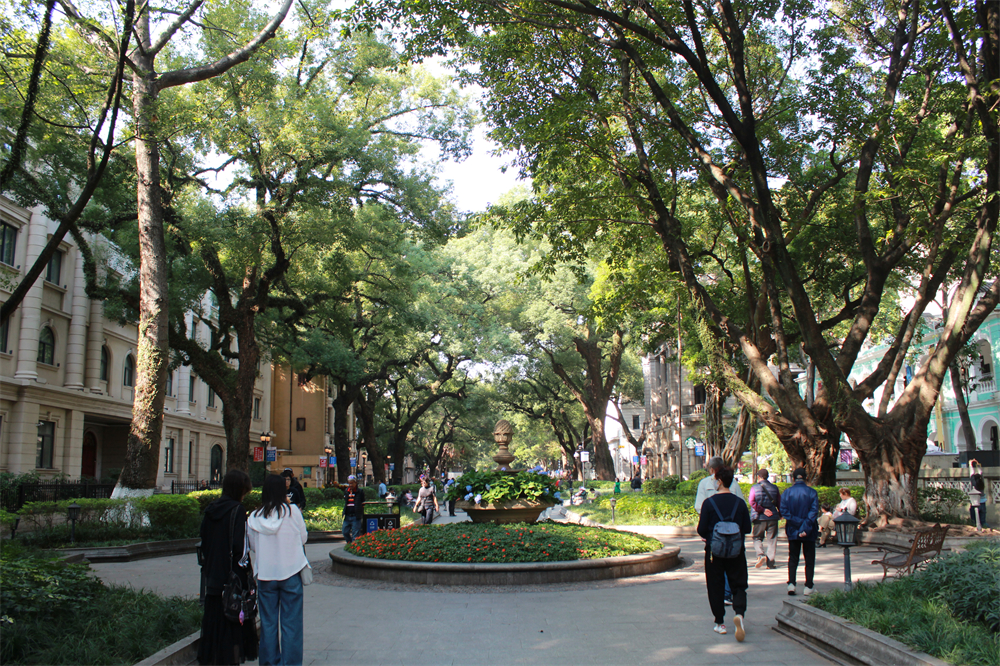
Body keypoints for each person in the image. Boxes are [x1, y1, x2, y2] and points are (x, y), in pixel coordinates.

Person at [197, 469, 258, 666]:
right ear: (240, 489)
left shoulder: (212, 508)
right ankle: (229, 660)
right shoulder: (237, 510)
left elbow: (204, 538)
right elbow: (240, 547)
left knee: (214, 617)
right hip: (232, 575)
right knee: (231, 620)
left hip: (213, 572)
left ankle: (212, 658)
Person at [248, 474, 308, 666]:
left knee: (268, 623)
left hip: (266, 575)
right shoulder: (292, 512)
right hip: (291, 572)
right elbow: (303, 538)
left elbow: (253, 545)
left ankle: (269, 663)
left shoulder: (254, 517)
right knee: (291, 624)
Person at [697, 467, 751, 642]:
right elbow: (748, 528)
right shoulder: (740, 503)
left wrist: (712, 536)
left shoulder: (709, 503)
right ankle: (740, 614)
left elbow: (702, 529)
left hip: (715, 552)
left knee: (715, 585)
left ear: (719, 481)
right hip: (736, 551)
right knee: (739, 584)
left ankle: (720, 622)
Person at [695, 457, 745, 603]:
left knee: (719, 559)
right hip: (730, 531)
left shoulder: (705, 484)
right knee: (731, 559)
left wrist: (706, 526)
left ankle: (724, 595)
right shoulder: (729, 483)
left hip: (715, 530)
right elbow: (741, 506)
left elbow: (699, 507)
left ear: (711, 469)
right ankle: (728, 593)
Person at [781, 467, 820, 596]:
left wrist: (797, 525)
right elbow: (814, 512)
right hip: (809, 530)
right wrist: (805, 527)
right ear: (805, 477)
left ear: (793, 478)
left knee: (793, 557)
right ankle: (808, 586)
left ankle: (791, 584)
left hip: (793, 530)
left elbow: (784, 511)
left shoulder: (787, 493)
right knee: (809, 558)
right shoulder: (812, 492)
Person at [748, 468, 781, 569]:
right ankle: (770, 563)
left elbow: (752, 501)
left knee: (757, 537)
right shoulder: (774, 488)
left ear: (758, 476)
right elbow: (779, 502)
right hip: (773, 517)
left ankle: (761, 555)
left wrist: (762, 510)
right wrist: (780, 514)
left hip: (759, 517)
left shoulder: (754, 488)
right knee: (772, 540)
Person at [330, 475, 365, 543]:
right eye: (349, 483)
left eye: (352, 483)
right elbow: (346, 501)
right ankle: (350, 544)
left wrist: (360, 513)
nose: (350, 485)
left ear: (356, 483)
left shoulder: (360, 491)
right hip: (347, 515)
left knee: (355, 535)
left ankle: (353, 547)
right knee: (345, 532)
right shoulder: (347, 491)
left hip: (356, 516)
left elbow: (363, 503)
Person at [969, 459, 990, 529]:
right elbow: (981, 473)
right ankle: (985, 528)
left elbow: (971, 473)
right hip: (983, 502)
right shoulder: (982, 483)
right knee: (983, 520)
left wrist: (970, 465)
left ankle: (976, 528)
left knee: (974, 520)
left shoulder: (974, 484)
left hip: (975, 503)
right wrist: (978, 465)